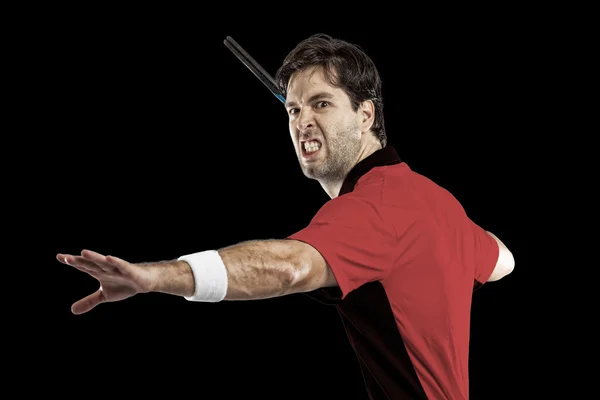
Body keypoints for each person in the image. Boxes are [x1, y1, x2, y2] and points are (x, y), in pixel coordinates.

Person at [56, 33, 515, 399]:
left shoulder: (376, 209)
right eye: (293, 108)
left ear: (365, 114)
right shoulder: (431, 200)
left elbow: (289, 265)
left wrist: (151, 278)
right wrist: (453, 232)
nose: (301, 121)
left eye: (321, 103)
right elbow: (502, 260)